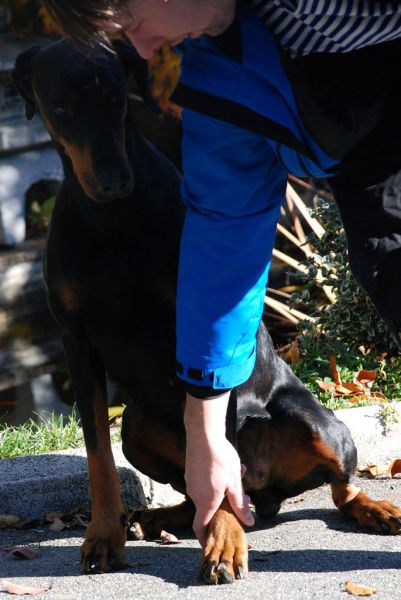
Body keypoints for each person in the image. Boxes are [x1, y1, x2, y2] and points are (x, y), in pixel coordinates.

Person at [41, 0, 401, 547]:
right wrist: (205, 431)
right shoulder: (214, 80)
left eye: (132, 23)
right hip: (369, 155)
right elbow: (225, 247)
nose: (143, 49)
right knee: (388, 262)